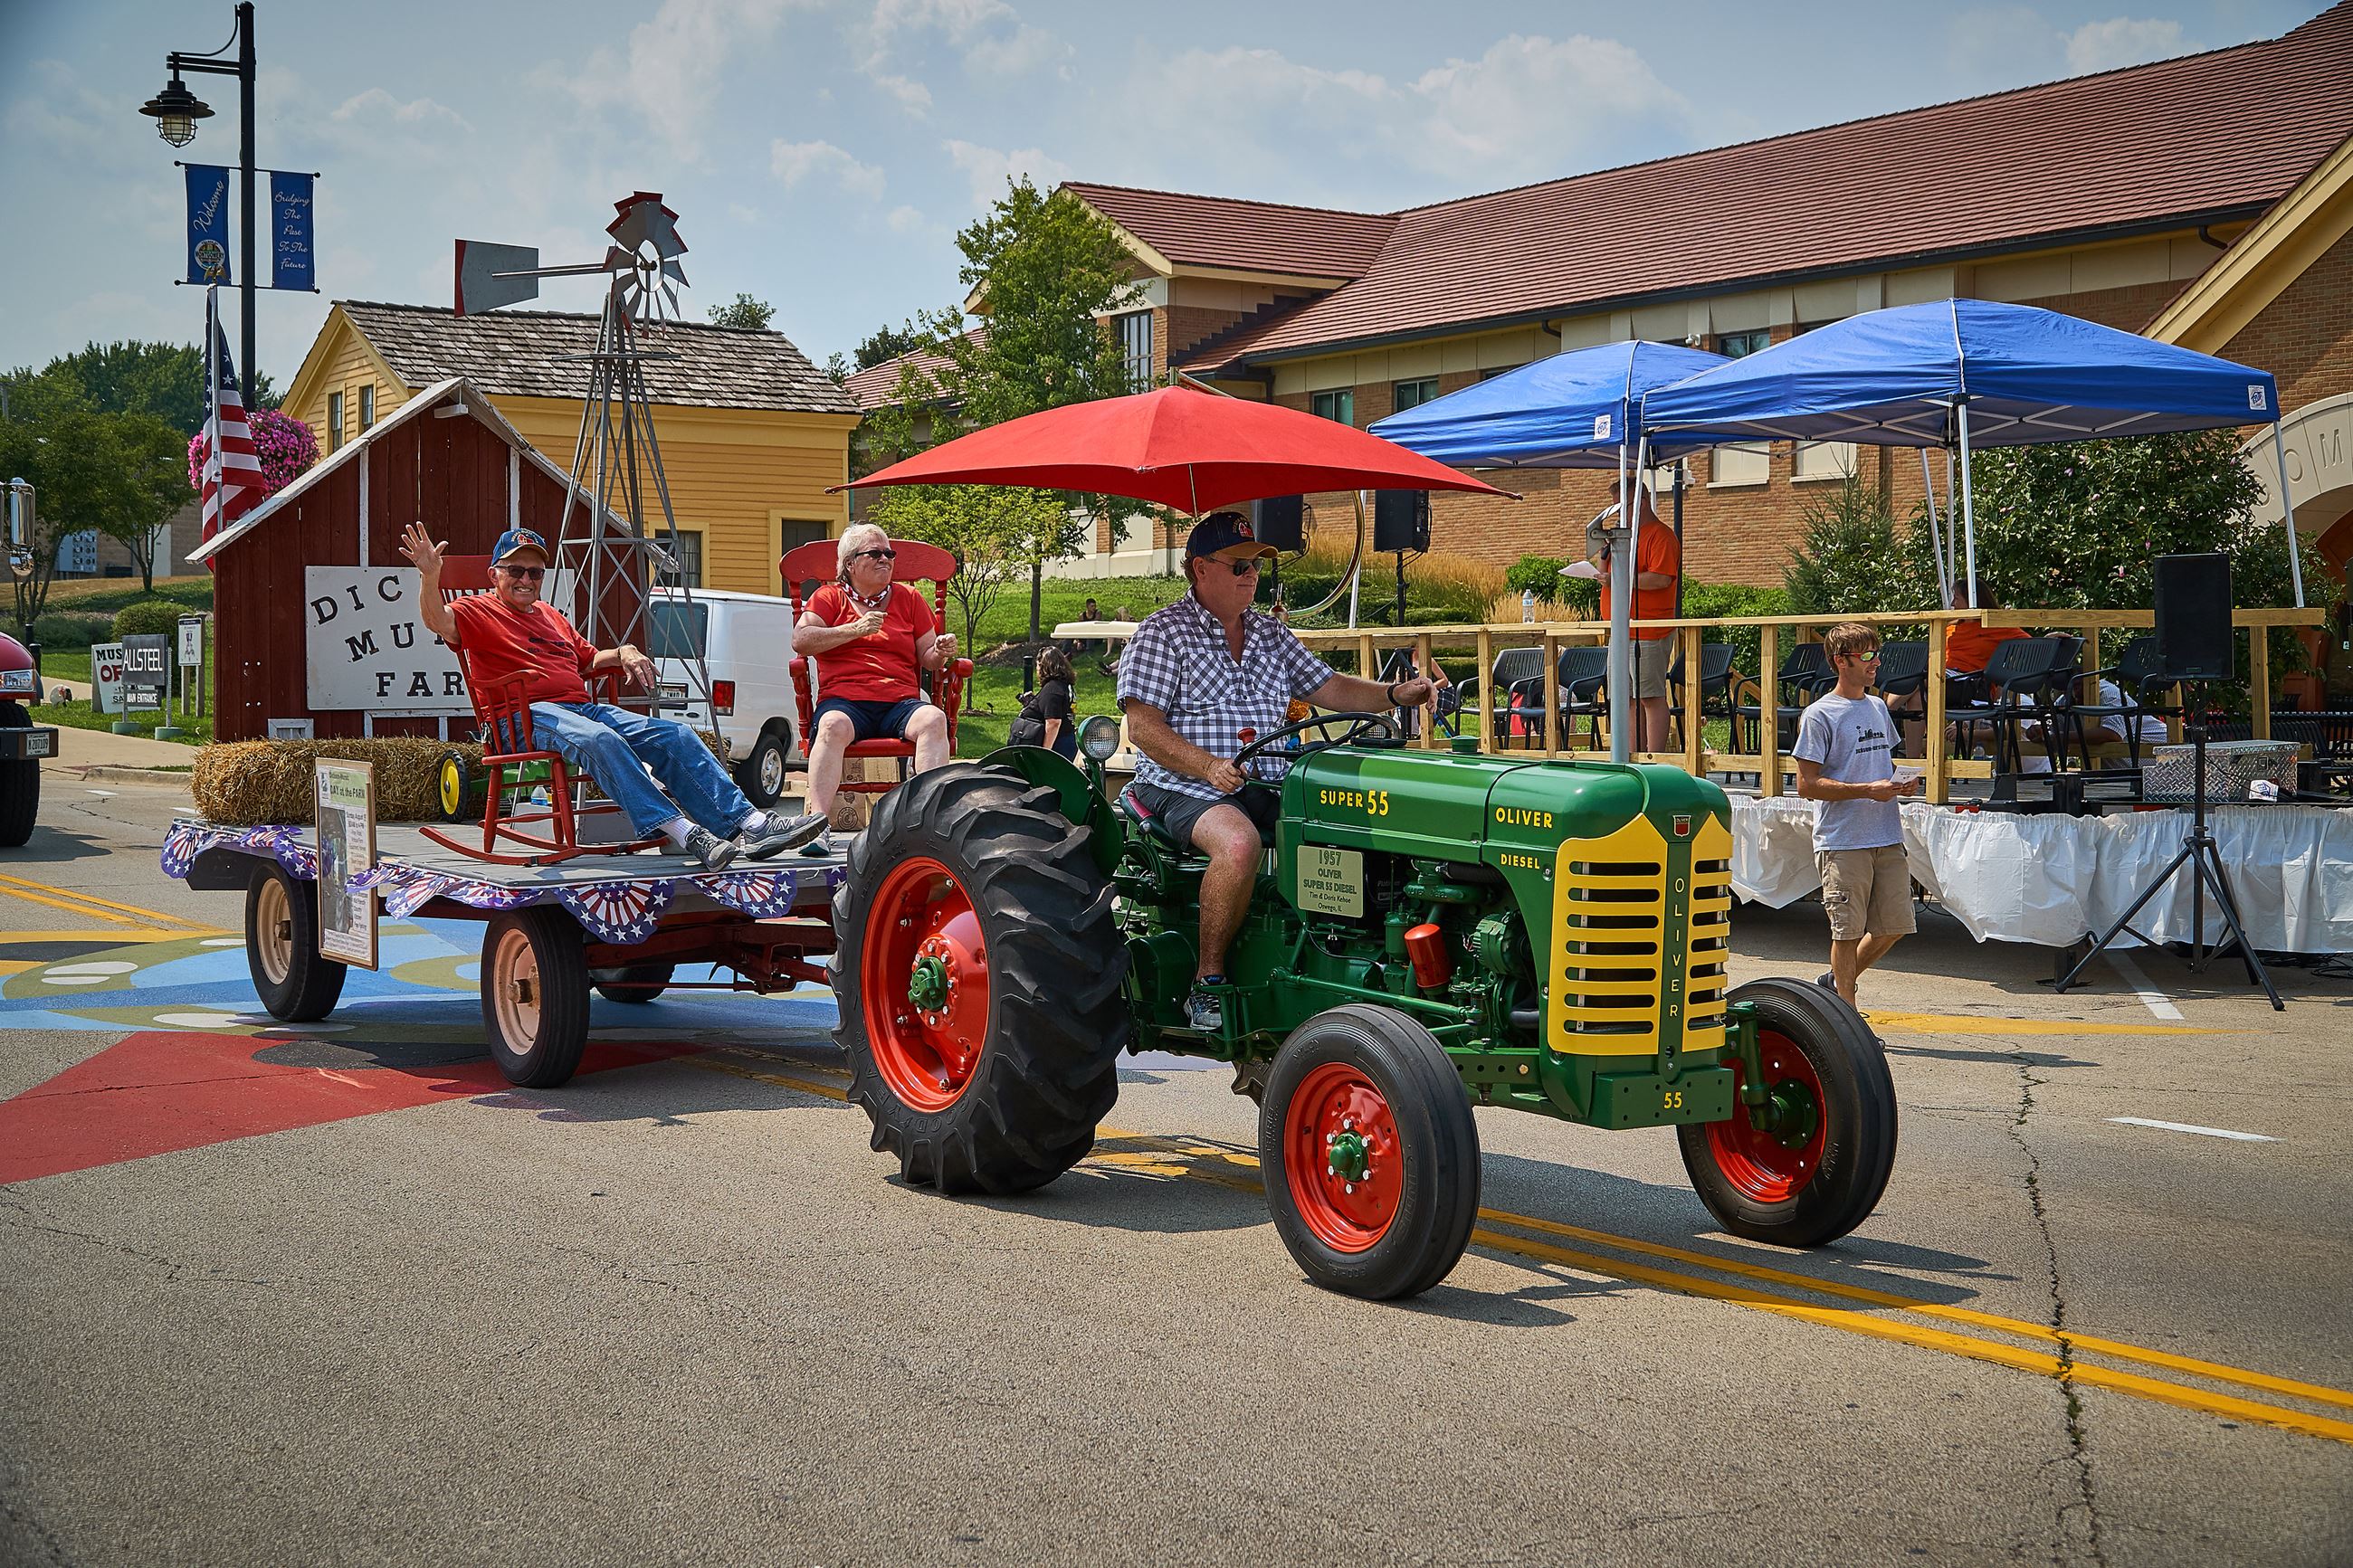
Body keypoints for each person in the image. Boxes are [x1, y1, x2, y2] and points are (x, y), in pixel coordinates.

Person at [1119, 510, 1437, 1033]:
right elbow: (1144, 730)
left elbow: (1328, 688)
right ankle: (1208, 982)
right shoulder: (1163, 634)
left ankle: (1340, 961)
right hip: (1179, 785)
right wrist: (1208, 766)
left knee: (1349, 821)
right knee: (1240, 843)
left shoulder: (1270, 634)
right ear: (1200, 569)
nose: (1251, 575)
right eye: (1239, 564)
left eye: (1257, 566)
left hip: (1265, 780)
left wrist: (1394, 694)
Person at [402, 523, 820, 870]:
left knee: (675, 736)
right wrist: (430, 576)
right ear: (495, 573)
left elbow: (588, 657)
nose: (526, 580)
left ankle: (748, 823)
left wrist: (623, 651)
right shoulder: (478, 610)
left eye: (534, 573)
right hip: (523, 716)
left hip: (579, 709)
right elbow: (437, 620)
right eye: (516, 570)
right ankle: (682, 831)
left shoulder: (551, 617)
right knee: (601, 740)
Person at [791, 523, 958, 857]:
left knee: (933, 719)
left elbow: (927, 659)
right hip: (845, 702)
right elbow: (802, 640)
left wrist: (940, 649)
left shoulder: (909, 598)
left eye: (889, 554)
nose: (886, 559)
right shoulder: (828, 598)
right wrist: (854, 629)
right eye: (875, 553)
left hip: (899, 701)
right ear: (850, 564)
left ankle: (928, 822)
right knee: (831, 726)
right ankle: (816, 826)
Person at [1793, 622, 1922, 1010]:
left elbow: (1879, 762)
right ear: (1840, 661)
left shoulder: (1879, 706)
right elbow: (1806, 785)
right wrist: (1868, 790)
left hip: (1886, 835)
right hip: (1843, 840)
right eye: (1866, 656)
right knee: (1846, 933)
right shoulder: (1819, 715)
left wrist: (1901, 785)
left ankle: (1835, 983)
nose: (1875, 663)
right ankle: (1846, 1020)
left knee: (1894, 928)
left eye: (1876, 654)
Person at [1586, 493, 1681, 753]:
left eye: (1622, 505)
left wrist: (1621, 581)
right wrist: (1605, 551)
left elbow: (1661, 578)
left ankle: (1655, 758)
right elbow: (1604, 572)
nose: (1617, 512)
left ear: (1640, 501)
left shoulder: (1660, 535)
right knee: (1624, 698)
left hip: (1649, 629)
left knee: (1649, 696)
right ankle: (1630, 756)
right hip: (1619, 630)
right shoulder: (1623, 538)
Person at [1009, 645, 1079, 760]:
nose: (1037, 669)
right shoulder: (1064, 686)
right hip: (1065, 740)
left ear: (1044, 666)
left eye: (1038, 665)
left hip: (1056, 745)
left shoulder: (1052, 690)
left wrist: (1045, 753)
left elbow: (1053, 722)